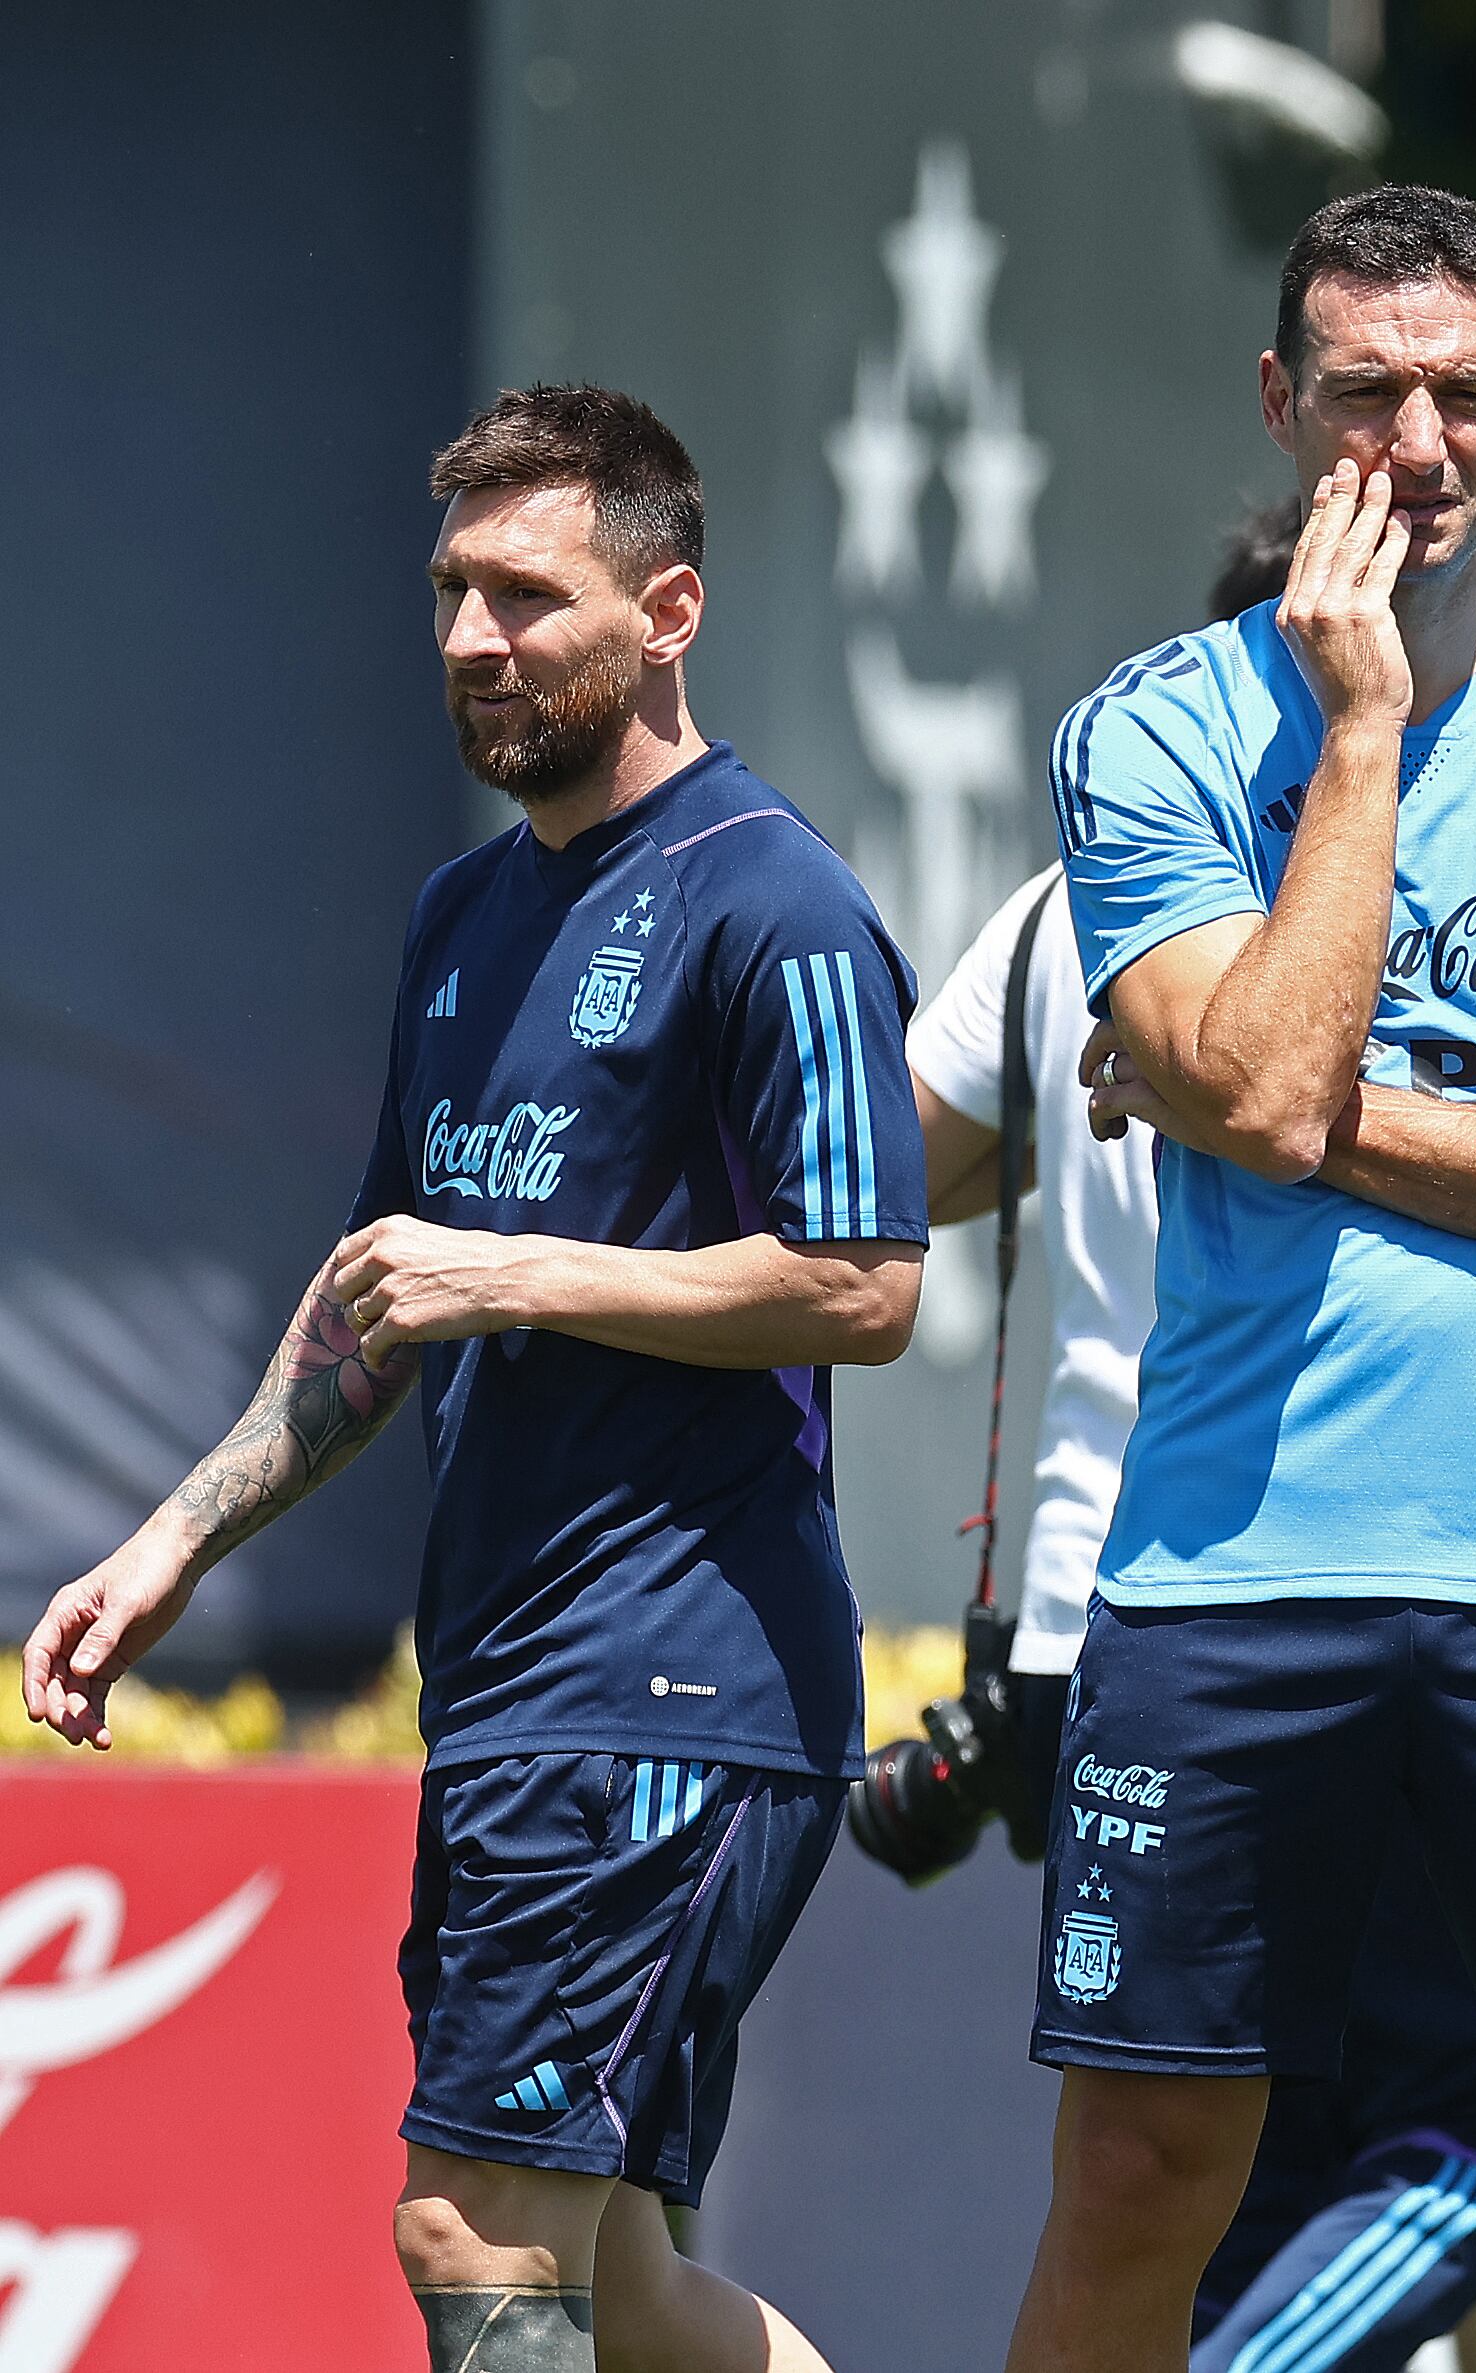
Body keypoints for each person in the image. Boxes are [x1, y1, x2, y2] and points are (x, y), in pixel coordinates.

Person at [21, 384, 928, 2373]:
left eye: (524, 594)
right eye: (449, 591)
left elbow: (863, 1283)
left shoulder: (772, 898)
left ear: (667, 607)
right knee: (620, 2285)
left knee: (469, 2223)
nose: (468, 639)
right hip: (520, 1677)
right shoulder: (464, 913)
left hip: (670, 1671)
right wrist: (173, 1536)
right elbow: (378, 1295)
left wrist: (512, 1267)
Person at [1013, 185, 1476, 2373]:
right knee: (1139, 2180)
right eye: (1362, 392)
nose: (1413, 442)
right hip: (1228, 1566)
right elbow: (1242, 1080)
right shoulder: (1149, 735)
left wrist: (1299, 1111)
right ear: (1280, 401)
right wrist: (1350, 737)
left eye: (1457, 393)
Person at [907, 498, 1476, 2373]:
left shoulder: (1057, 919)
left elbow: (871, 1174)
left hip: (1081, 1634)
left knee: (1207, 2169)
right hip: (1309, 1598)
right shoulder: (1418, 895)